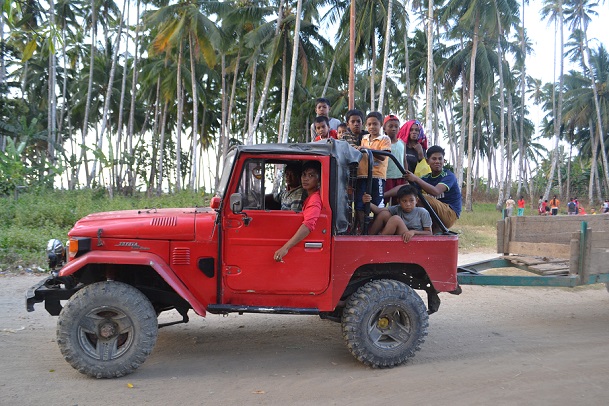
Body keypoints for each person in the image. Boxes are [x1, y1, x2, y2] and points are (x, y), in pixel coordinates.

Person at [274, 160, 322, 262]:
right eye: (304, 175)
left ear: (319, 180)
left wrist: (285, 248)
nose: (305, 178)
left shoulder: (315, 199)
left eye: (311, 175)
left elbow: (308, 225)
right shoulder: (309, 196)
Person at [405, 145, 462, 230]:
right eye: (434, 159)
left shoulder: (449, 176)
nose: (437, 161)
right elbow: (407, 188)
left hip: (450, 213)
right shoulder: (426, 178)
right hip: (436, 213)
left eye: (440, 159)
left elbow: (436, 191)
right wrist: (386, 194)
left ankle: (430, 228)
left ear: (444, 161)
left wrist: (416, 178)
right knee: (407, 196)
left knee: (420, 198)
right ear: (427, 161)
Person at [355, 112, 392, 229]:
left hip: (377, 176)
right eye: (369, 124)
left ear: (381, 124)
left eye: (375, 124)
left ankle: (375, 230)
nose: (372, 127)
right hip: (362, 175)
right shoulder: (364, 138)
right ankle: (362, 229)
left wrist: (367, 149)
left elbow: (383, 156)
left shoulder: (385, 139)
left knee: (377, 203)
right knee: (359, 203)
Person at [363, 185, 432, 243]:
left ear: (416, 200)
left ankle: (380, 241)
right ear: (399, 201)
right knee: (384, 214)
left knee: (396, 219)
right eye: (404, 201)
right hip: (401, 236)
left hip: (412, 239)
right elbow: (378, 211)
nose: (408, 204)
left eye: (411, 201)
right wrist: (367, 202)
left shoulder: (422, 212)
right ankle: (368, 238)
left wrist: (413, 232)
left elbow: (429, 233)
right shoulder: (397, 208)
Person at [382, 114, 407, 205]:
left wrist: (406, 174)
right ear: (384, 129)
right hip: (387, 177)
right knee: (383, 200)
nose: (393, 129)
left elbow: (404, 160)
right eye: (390, 126)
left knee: (397, 201)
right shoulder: (382, 143)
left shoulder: (402, 143)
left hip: (400, 176)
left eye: (396, 126)